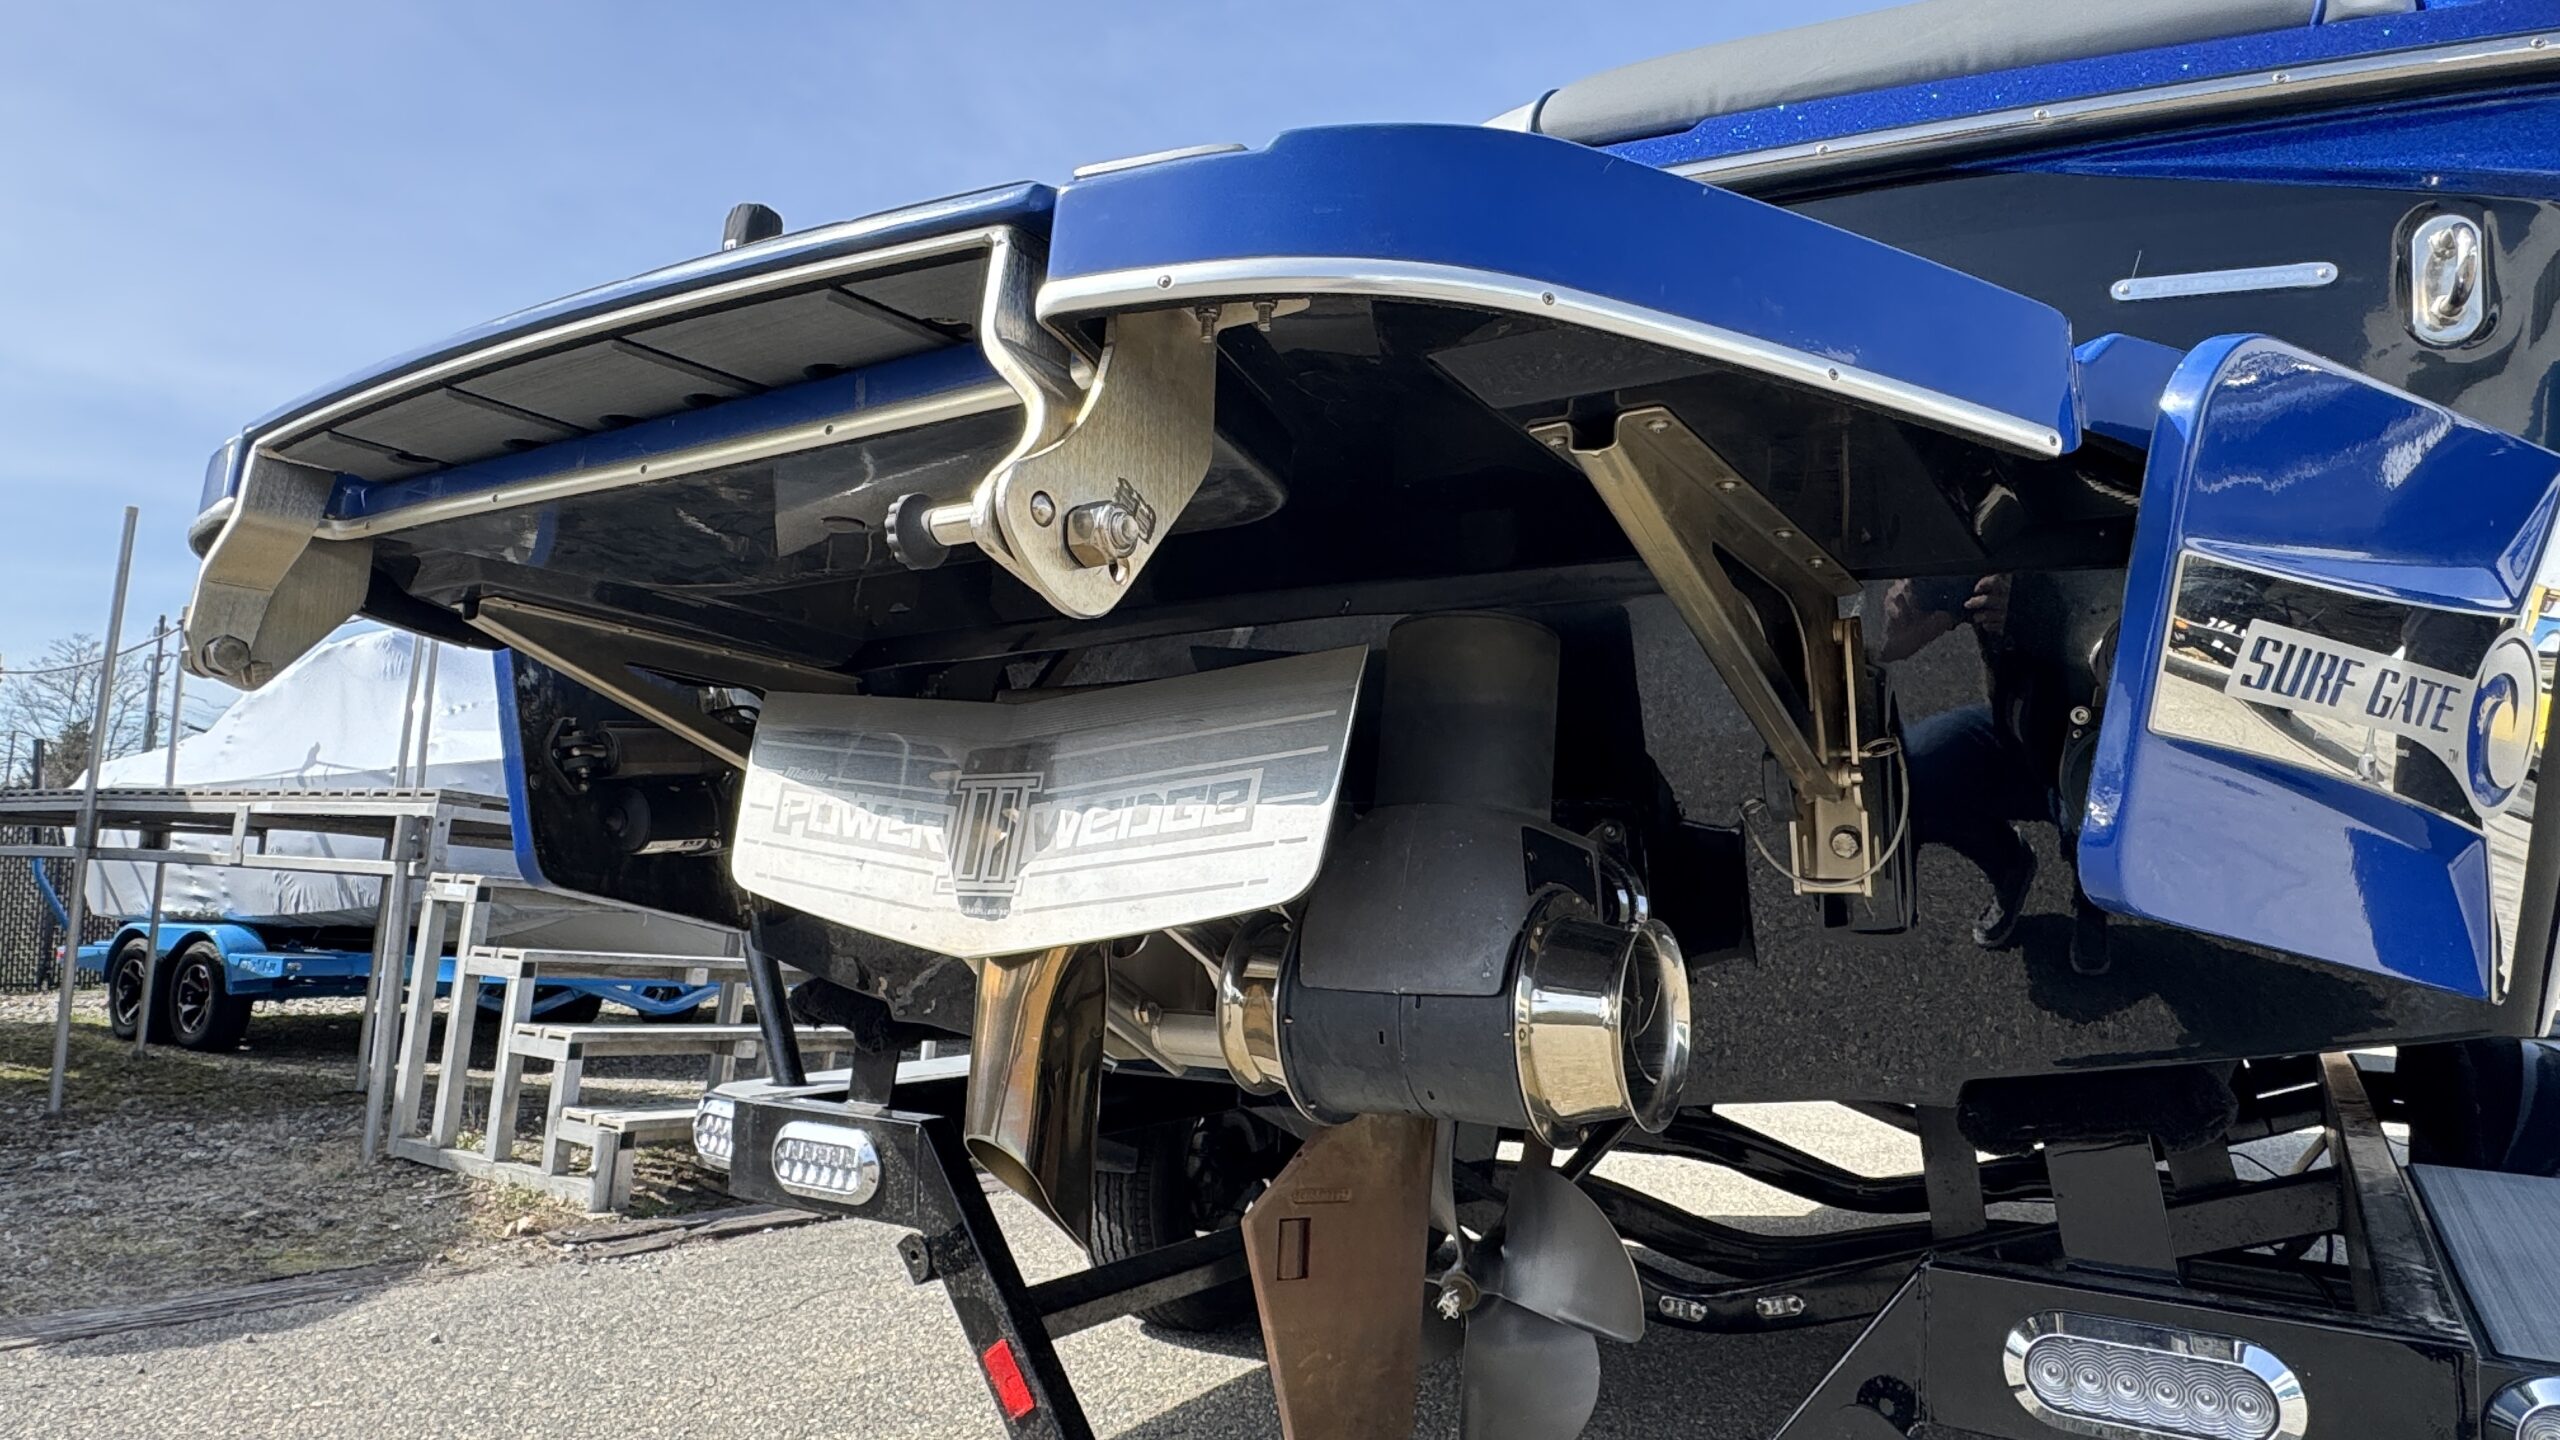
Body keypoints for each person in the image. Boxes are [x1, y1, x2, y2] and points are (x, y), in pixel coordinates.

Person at [1880, 574, 2041, 948]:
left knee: (2089, 818)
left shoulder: (2110, 544)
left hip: (2095, 744)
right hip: (2014, 734)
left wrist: (2035, 606)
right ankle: (2008, 865)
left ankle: (2091, 910)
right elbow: (1892, 648)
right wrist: (1898, 617)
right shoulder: (1989, 557)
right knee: (1910, 778)